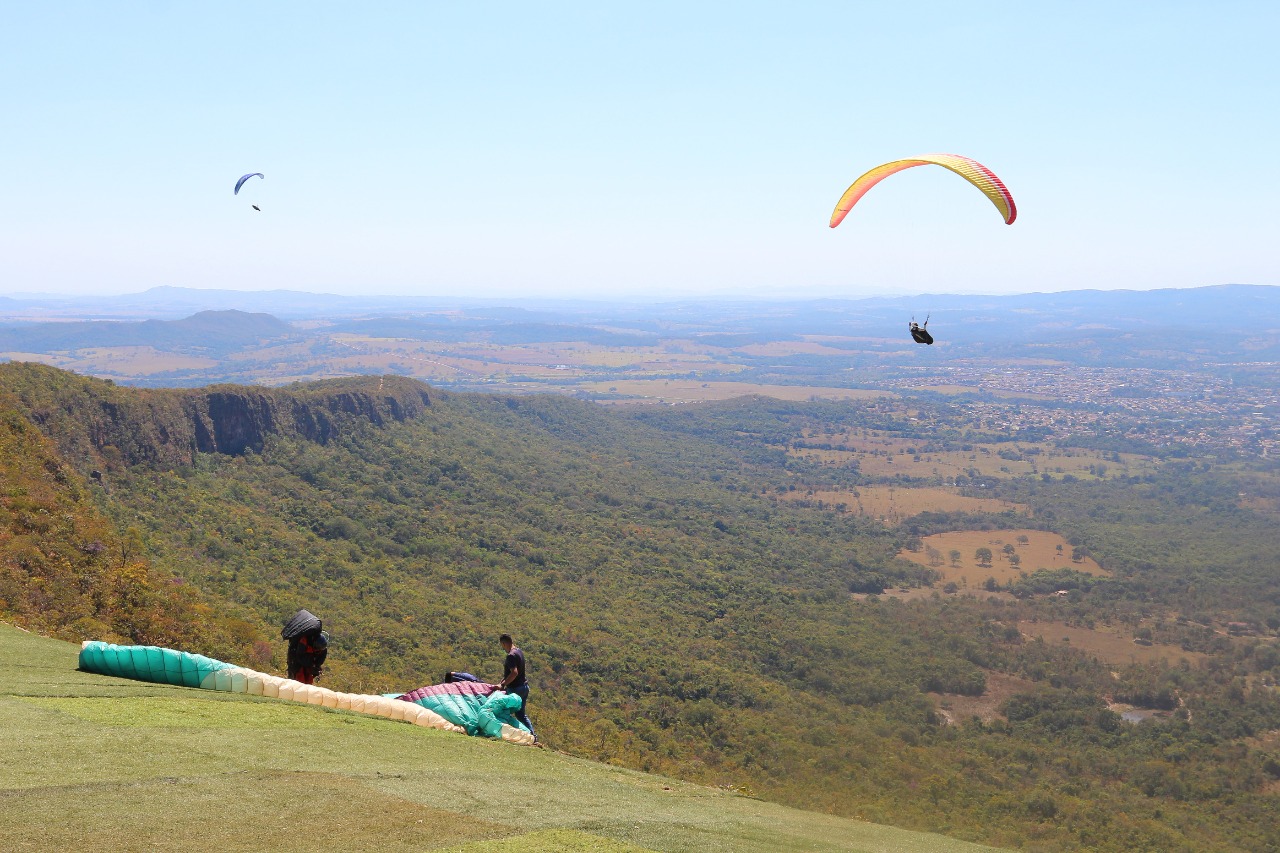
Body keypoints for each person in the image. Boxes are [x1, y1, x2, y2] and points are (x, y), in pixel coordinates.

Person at [495, 633, 535, 739]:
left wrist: (503, 684)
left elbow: (514, 673)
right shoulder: (518, 651)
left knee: (503, 711)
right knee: (521, 715)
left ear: (504, 643)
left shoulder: (510, 656)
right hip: (524, 687)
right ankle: (532, 736)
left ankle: (503, 733)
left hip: (515, 689)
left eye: (502, 645)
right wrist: (502, 682)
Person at [282, 609, 329, 685]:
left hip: (307, 661)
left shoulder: (323, 648)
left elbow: (321, 659)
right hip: (296, 660)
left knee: (308, 682)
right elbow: (300, 656)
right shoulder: (304, 641)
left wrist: (316, 667)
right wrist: (311, 666)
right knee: (297, 681)